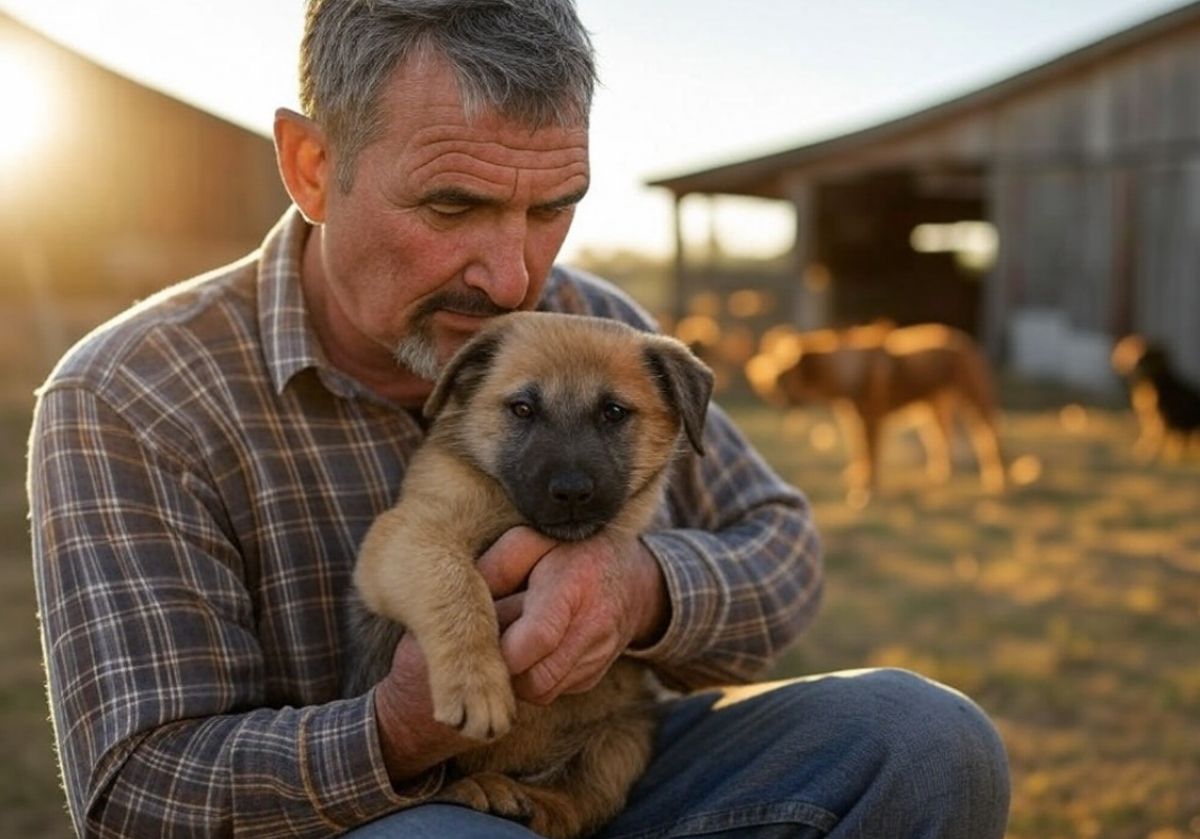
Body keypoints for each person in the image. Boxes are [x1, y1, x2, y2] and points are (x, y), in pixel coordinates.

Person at [27, 1, 1010, 836]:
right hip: (374, 818)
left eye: (553, 208)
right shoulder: (131, 397)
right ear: (313, 166)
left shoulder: (597, 332)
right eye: (454, 206)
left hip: (598, 781)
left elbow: (785, 549)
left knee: (927, 740)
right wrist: (398, 730)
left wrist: (642, 589)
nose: (513, 277)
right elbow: (135, 792)